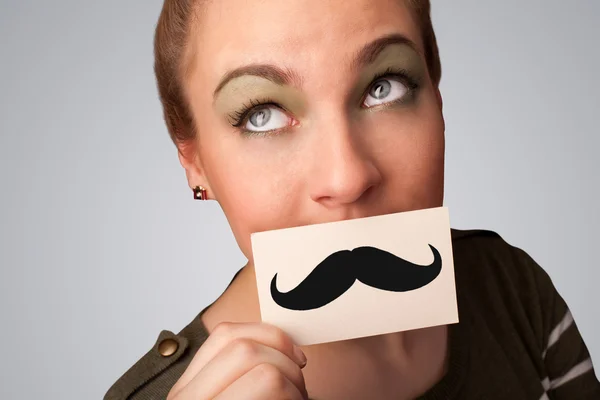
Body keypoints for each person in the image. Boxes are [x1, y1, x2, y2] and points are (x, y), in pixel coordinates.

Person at [104, 0, 600, 399]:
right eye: (262, 114)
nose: (346, 177)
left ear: (437, 99)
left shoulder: (512, 289)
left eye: (384, 87)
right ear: (195, 163)